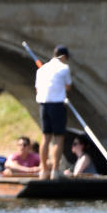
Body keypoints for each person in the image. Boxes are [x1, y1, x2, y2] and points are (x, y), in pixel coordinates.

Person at [35, 45, 73, 179]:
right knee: (58, 137)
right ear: (63, 56)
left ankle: (44, 170)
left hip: (44, 105)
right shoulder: (64, 68)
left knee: (46, 137)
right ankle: (55, 171)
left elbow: (38, 89)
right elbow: (68, 86)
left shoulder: (42, 69)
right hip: (57, 105)